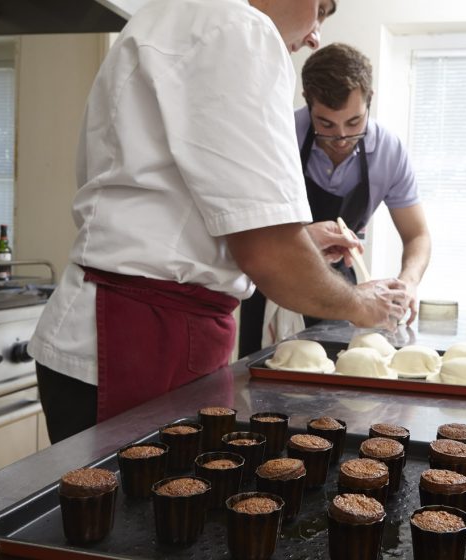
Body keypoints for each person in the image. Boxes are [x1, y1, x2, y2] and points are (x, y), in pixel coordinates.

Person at [27, 0, 412, 444]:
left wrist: (300, 239)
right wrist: (366, 306)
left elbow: (174, 203)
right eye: (320, 9)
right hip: (138, 339)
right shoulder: (240, 28)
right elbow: (269, 255)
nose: (315, 35)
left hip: (126, 330)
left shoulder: (175, 14)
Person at [239, 42, 431, 356]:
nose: (341, 137)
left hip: (343, 288)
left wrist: (408, 281)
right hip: (274, 284)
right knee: (262, 380)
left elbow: (418, 234)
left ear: (370, 101)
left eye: (354, 123)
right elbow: (252, 232)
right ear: (307, 103)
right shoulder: (279, 136)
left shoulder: (389, 152)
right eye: (326, 124)